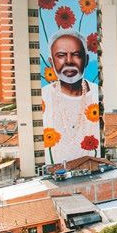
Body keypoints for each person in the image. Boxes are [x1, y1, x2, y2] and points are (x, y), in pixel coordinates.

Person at [42, 29, 100, 164]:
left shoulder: (98, 93)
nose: (69, 61)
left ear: (85, 60)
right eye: (61, 55)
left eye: (76, 55)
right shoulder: (44, 96)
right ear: (51, 62)